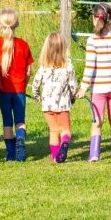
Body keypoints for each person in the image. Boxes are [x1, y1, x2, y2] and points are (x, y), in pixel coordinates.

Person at [75, 3, 111, 161]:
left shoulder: (92, 40)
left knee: (97, 121)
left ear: (96, 19)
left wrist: (83, 88)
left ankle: (94, 154)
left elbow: (89, 67)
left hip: (98, 89)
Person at [0, 7, 34, 161]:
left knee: (7, 121)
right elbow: (29, 70)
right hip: (19, 91)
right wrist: (23, 85)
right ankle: (20, 141)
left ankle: (11, 155)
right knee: (20, 120)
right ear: (16, 24)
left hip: (3, 91)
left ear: (0, 25)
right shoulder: (23, 44)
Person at [31, 32, 78, 163]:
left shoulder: (43, 67)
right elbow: (73, 86)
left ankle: (55, 157)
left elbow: (35, 84)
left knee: (53, 131)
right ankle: (65, 143)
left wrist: (37, 96)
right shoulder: (68, 65)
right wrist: (73, 96)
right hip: (63, 105)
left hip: (47, 105)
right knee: (65, 129)